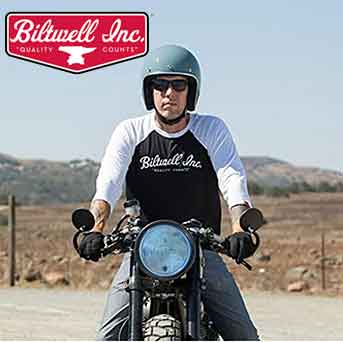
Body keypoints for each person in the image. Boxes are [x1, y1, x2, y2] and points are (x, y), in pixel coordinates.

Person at [79, 44, 260, 340]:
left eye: (179, 85)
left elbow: (232, 178)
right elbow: (108, 183)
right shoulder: (130, 131)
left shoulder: (211, 129)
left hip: (200, 247)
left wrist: (241, 227)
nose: (169, 93)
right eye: (160, 85)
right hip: (143, 248)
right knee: (106, 337)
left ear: (191, 91)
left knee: (246, 337)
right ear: (149, 91)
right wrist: (95, 228)